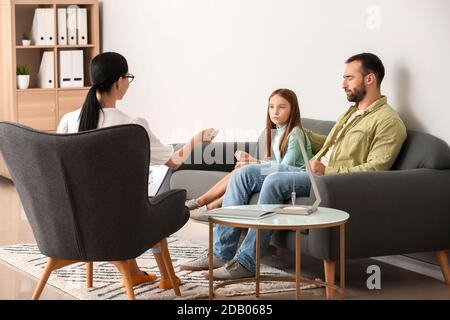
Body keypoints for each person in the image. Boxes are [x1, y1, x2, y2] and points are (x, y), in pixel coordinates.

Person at [180, 52, 407, 280]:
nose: (343, 84)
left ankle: (247, 263)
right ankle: (220, 252)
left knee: (274, 180)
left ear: (370, 79)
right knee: (244, 174)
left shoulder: (388, 122)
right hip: (308, 171)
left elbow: (376, 170)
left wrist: (327, 170)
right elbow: (331, 143)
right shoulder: (352, 112)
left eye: (349, 78)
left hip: (329, 181)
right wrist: (296, 131)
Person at [57, 52, 218, 288]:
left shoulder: (69, 120)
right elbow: (172, 162)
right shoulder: (133, 125)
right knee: (159, 203)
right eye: (127, 78)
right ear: (119, 82)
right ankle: (167, 277)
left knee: (125, 199)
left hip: (77, 220)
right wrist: (195, 139)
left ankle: (132, 272)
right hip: (123, 223)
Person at [185, 88, 313, 222]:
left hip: (296, 174)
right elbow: (275, 165)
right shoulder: (276, 133)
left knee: (245, 172)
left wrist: (255, 162)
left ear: (292, 110)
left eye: (281, 107)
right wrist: (254, 162)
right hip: (281, 172)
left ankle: (209, 205)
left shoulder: (295, 133)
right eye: (271, 107)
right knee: (241, 171)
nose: (275, 111)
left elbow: (286, 167)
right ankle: (202, 202)